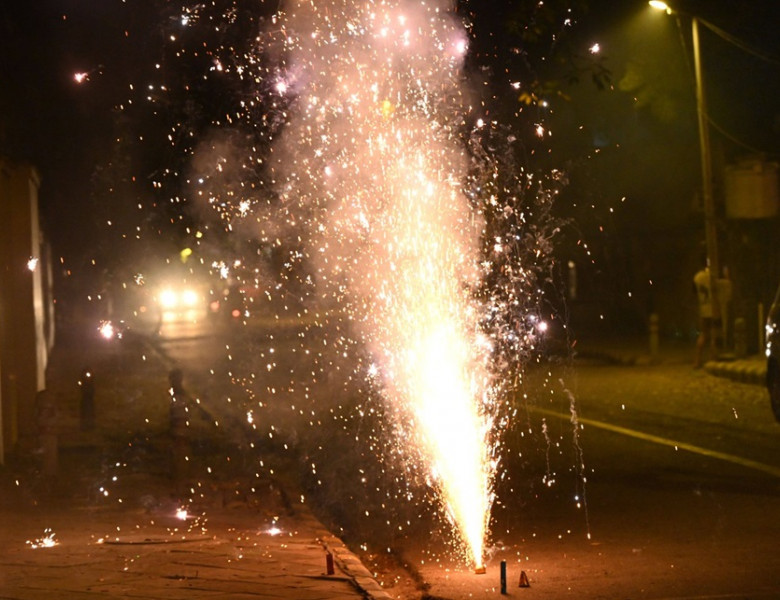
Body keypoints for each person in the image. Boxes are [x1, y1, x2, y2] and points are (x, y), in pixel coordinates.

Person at [693, 262, 715, 368]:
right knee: (713, 334)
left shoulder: (697, 277)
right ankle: (712, 359)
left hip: (703, 309)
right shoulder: (712, 276)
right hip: (714, 309)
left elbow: (694, 293)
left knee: (703, 334)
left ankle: (698, 360)